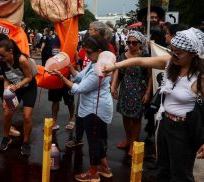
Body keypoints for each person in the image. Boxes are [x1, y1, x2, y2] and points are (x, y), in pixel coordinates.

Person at [103, 27, 204, 181]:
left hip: (184, 129)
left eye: (178, 53)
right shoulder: (170, 62)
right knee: (163, 169)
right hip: (164, 123)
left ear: (193, 54)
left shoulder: (199, 76)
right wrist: (115, 66)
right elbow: (140, 60)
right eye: (172, 51)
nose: (173, 55)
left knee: (181, 173)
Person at [51, 35, 114, 181]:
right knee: (98, 139)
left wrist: (62, 78)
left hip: (95, 110)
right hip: (92, 108)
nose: (86, 55)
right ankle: (105, 168)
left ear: (99, 51)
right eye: (85, 51)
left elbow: (79, 88)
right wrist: (69, 67)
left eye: (89, 52)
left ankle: (93, 174)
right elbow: (80, 76)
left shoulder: (101, 68)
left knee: (94, 141)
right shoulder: (94, 63)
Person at [111, 31, 152, 156]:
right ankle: (128, 139)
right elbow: (118, 73)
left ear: (140, 43)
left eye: (134, 43)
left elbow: (150, 76)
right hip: (125, 90)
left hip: (140, 90)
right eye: (129, 42)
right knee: (125, 116)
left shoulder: (146, 56)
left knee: (136, 118)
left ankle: (133, 143)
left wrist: (148, 92)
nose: (131, 45)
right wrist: (114, 88)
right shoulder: (123, 56)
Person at [0, 39, 37, 156]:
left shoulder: (21, 60)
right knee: (7, 113)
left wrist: (18, 85)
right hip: (14, 88)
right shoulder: (2, 61)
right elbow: (6, 78)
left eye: (3, 55)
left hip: (28, 88)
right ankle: (6, 137)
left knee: (27, 116)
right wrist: (5, 95)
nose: (0, 58)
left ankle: (25, 142)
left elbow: (29, 77)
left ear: (11, 51)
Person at [48, 34, 76, 130]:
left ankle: (72, 119)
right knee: (55, 100)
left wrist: (76, 73)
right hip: (54, 76)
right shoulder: (53, 40)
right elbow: (48, 57)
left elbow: (75, 58)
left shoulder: (70, 41)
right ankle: (54, 121)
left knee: (69, 100)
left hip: (67, 77)